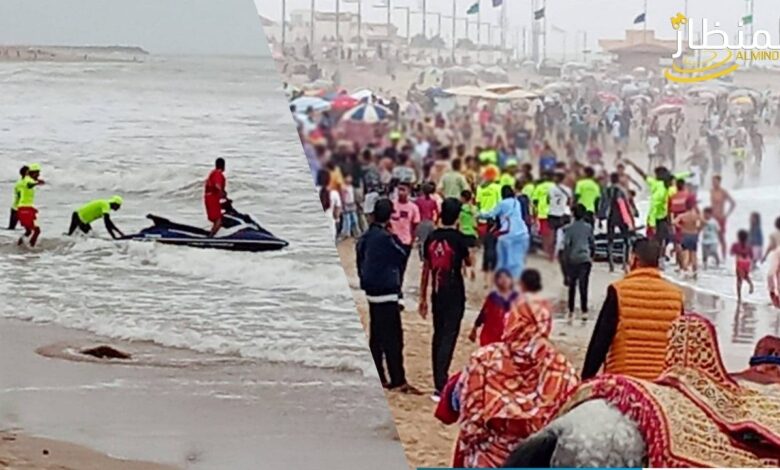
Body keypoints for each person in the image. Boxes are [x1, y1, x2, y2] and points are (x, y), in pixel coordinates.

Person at [452, 269, 579, 468]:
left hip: (487, 460)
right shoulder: (562, 371)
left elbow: (470, 425)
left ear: (512, 319)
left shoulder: (484, 360)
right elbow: (566, 433)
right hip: (536, 462)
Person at [582, 238, 684, 381]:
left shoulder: (619, 291)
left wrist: (586, 377)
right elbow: (680, 346)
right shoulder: (676, 296)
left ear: (634, 259)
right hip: (660, 382)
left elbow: (600, 342)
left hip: (624, 381)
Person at [356, 198, 420, 394]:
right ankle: (397, 380)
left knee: (376, 336)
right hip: (387, 292)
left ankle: (379, 375)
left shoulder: (365, 237)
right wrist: (394, 235)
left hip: (371, 292)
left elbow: (359, 261)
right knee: (393, 339)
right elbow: (401, 255)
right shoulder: (386, 238)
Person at [419, 198, 472, 401]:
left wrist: (423, 298)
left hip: (436, 292)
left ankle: (438, 382)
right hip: (455, 292)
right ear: (457, 216)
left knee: (438, 334)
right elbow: (468, 262)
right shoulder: (459, 239)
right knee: (449, 336)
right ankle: (441, 384)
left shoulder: (432, 237)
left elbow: (426, 269)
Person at [479, 186, 530, 280]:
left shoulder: (502, 203)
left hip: (508, 233)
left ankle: (505, 279)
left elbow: (490, 214)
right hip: (523, 232)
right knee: (517, 259)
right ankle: (517, 278)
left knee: (504, 259)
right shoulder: (517, 202)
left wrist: (479, 214)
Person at [468, 269, 518, 347]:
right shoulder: (493, 297)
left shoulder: (515, 299)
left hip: (504, 337)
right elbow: (483, 313)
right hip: (490, 335)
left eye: (506, 278)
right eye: (501, 278)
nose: (504, 281)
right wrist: (475, 328)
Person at [389, 182, 420, 304]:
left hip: (405, 242)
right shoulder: (391, 205)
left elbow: (415, 225)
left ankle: (398, 291)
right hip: (391, 241)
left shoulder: (413, 208)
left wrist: (412, 240)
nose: (401, 192)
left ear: (409, 192)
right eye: (399, 189)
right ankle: (392, 291)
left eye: (403, 190)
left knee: (401, 268)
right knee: (391, 267)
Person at [563, 204, 594, 321]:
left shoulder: (568, 228)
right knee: (584, 285)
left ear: (573, 214)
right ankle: (584, 311)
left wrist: (566, 261)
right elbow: (592, 243)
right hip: (585, 259)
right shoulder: (588, 227)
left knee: (572, 286)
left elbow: (567, 245)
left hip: (573, 259)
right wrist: (591, 256)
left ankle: (571, 311)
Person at [599, 172, 633, 272]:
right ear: (618, 179)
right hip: (621, 217)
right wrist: (630, 218)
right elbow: (626, 205)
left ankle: (611, 264)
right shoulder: (622, 190)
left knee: (610, 240)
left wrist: (600, 217)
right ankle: (625, 263)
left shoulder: (606, 190)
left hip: (611, 216)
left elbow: (603, 204)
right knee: (626, 240)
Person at [16, 163, 44, 247]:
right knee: (36, 230)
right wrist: (36, 183)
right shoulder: (27, 180)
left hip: (24, 208)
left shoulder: (23, 180)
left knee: (29, 231)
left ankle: (19, 245)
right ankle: (31, 247)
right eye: (37, 173)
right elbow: (29, 185)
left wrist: (36, 181)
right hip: (25, 209)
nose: (38, 175)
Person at [673, 198, 702, 278]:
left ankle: (685, 271)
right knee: (694, 255)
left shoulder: (682, 215)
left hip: (685, 235)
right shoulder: (696, 215)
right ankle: (695, 272)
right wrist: (698, 229)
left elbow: (674, 222)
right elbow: (702, 221)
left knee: (686, 254)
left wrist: (681, 226)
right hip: (694, 235)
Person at [710, 175, 735, 259]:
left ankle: (724, 256)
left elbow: (733, 203)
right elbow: (712, 205)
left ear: (719, 182)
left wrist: (727, 214)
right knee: (712, 238)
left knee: (721, 238)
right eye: (712, 181)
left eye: (715, 181)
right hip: (713, 217)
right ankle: (715, 256)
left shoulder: (723, 192)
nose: (713, 183)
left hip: (721, 217)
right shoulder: (711, 191)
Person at [414, 182, 439, 259]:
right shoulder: (433, 201)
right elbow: (437, 212)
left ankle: (422, 257)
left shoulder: (418, 201)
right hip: (430, 222)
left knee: (422, 241)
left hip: (421, 222)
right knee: (431, 241)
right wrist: (436, 222)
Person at [205, 158, 227, 237]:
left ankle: (212, 233)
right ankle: (210, 237)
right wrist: (222, 192)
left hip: (211, 198)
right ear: (223, 166)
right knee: (218, 220)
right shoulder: (218, 174)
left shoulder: (213, 173)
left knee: (216, 219)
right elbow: (217, 185)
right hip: (212, 199)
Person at [731, 229, 755, 303]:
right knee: (746, 276)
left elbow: (732, 252)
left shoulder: (736, 245)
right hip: (747, 263)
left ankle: (739, 297)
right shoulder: (749, 246)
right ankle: (750, 284)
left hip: (740, 262)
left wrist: (738, 252)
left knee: (739, 280)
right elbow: (752, 256)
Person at [459, 190, 478, 281]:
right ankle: (473, 269)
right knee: (472, 253)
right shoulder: (474, 209)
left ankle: (464, 271)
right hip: (472, 233)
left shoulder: (460, 209)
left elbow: (458, 222)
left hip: (462, 232)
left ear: (463, 198)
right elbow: (476, 222)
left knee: (462, 254)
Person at [8, 165, 27, 230]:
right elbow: (20, 194)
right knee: (12, 228)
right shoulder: (21, 183)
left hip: (19, 207)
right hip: (17, 208)